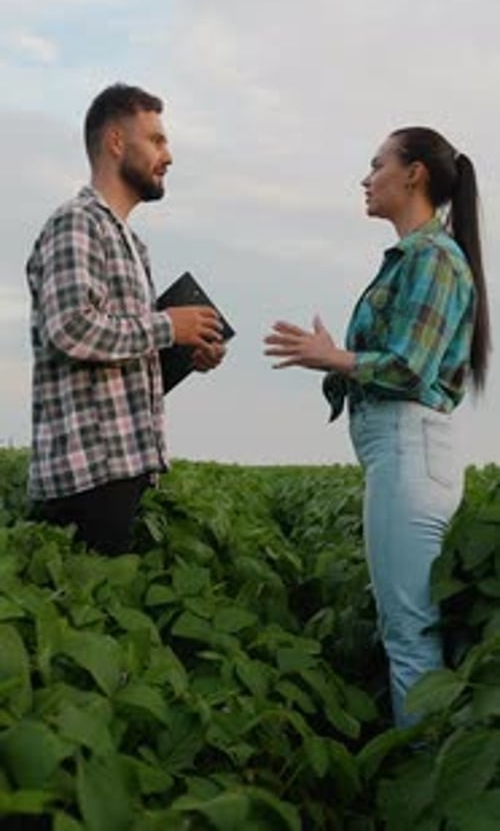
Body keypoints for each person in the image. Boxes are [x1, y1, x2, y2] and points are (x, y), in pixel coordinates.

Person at [264, 127, 490, 728]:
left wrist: (336, 358)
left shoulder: (432, 257)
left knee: (409, 634)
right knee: (413, 627)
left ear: (414, 174)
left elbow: (410, 367)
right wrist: (335, 360)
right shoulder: (422, 256)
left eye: (377, 165)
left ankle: (423, 768)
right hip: (406, 451)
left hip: (408, 450)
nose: (366, 179)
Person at [27, 83, 226, 556]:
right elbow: (69, 329)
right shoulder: (77, 222)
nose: (168, 156)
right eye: (156, 140)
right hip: (87, 474)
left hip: (124, 467)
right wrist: (168, 326)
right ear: (116, 142)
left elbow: (116, 357)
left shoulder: (133, 244)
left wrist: (183, 351)